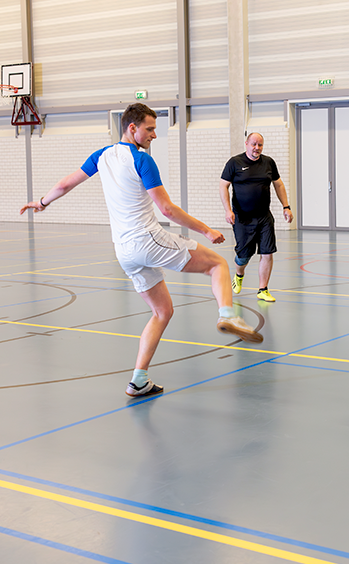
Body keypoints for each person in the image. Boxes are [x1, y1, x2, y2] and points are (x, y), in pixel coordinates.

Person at [20, 103, 263, 399]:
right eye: (150, 129)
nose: (154, 136)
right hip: (147, 240)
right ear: (131, 128)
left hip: (123, 250)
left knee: (162, 311)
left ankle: (139, 379)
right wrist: (206, 230)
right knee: (218, 265)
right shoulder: (142, 160)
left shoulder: (102, 156)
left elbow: (65, 183)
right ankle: (227, 315)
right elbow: (167, 209)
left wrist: (42, 203)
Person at [219, 132, 293, 303]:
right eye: (253, 144)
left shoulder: (268, 162)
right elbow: (223, 186)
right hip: (242, 218)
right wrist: (227, 210)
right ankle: (239, 274)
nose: (256, 148)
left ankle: (263, 289)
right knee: (243, 256)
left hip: (264, 216)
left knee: (267, 252)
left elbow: (278, 184)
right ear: (246, 144)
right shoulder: (234, 163)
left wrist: (286, 206)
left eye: (260, 145)